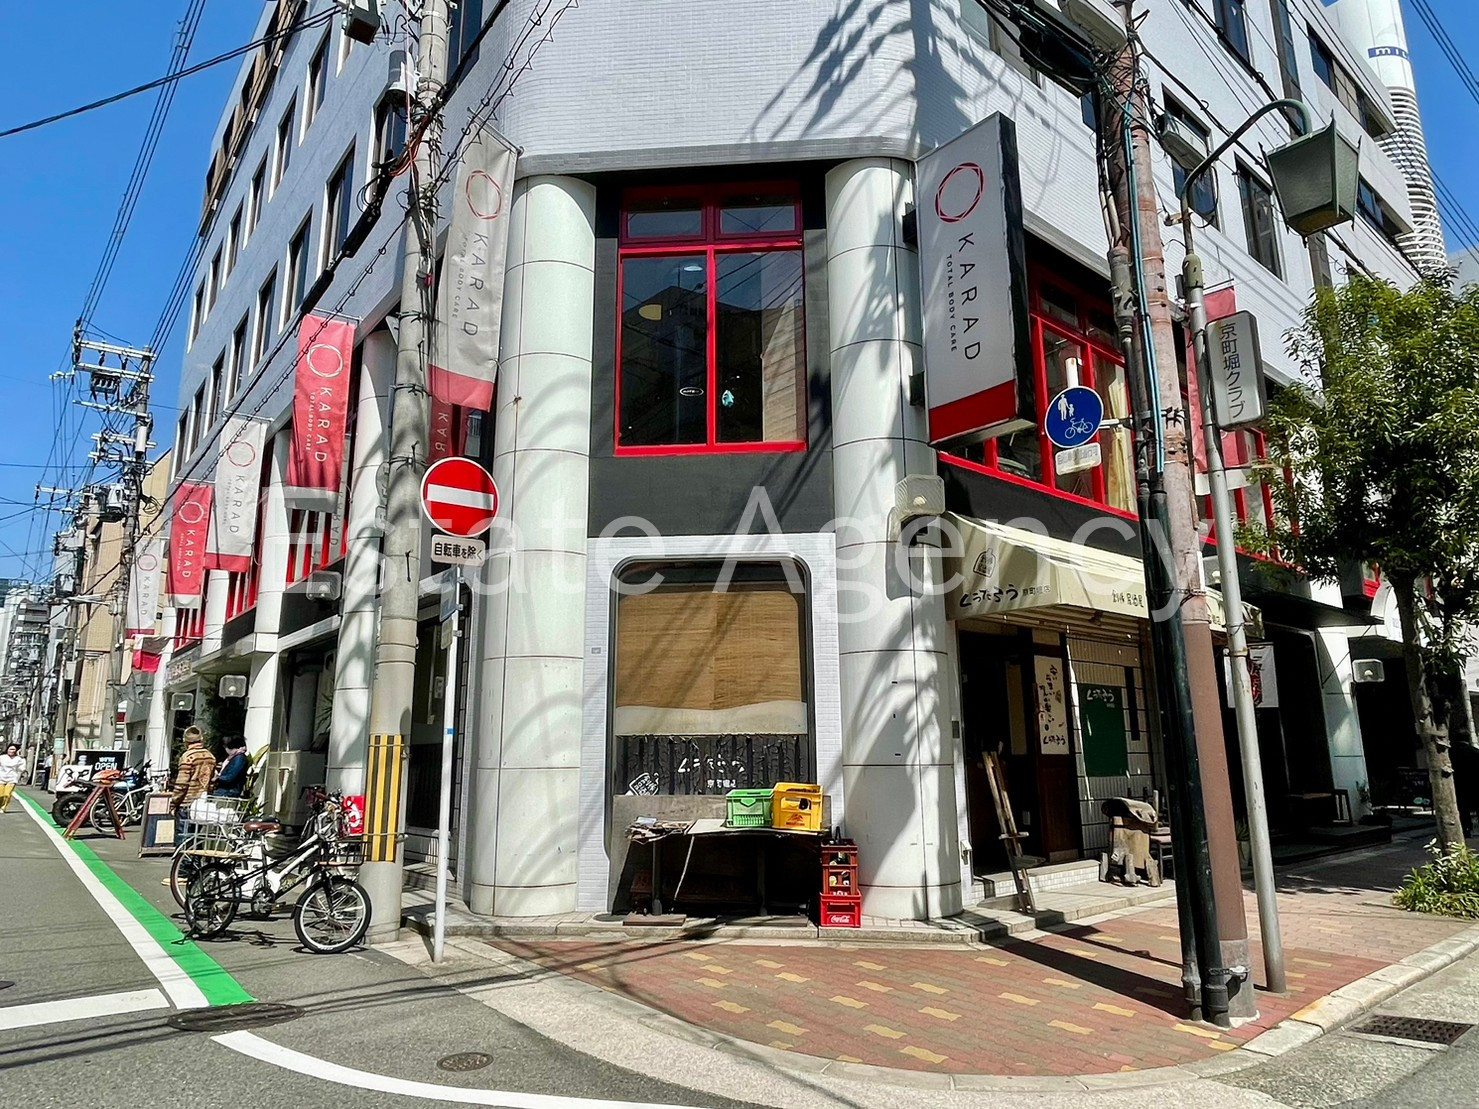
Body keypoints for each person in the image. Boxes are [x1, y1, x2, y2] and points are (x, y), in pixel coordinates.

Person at [169, 728, 217, 813]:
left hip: (187, 803)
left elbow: (182, 784)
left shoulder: (188, 757)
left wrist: (173, 803)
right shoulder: (210, 756)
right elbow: (212, 781)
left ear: (185, 741)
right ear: (201, 739)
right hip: (203, 803)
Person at [0, 744, 24, 813]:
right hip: (1, 778)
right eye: (10, 749)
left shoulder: (18, 759)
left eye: (13, 749)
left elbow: (22, 768)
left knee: (7, 794)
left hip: (12, 778)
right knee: (1, 795)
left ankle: (3, 807)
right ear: (7, 750)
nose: (12, 751)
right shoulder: (2, 757)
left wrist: (22, 768)